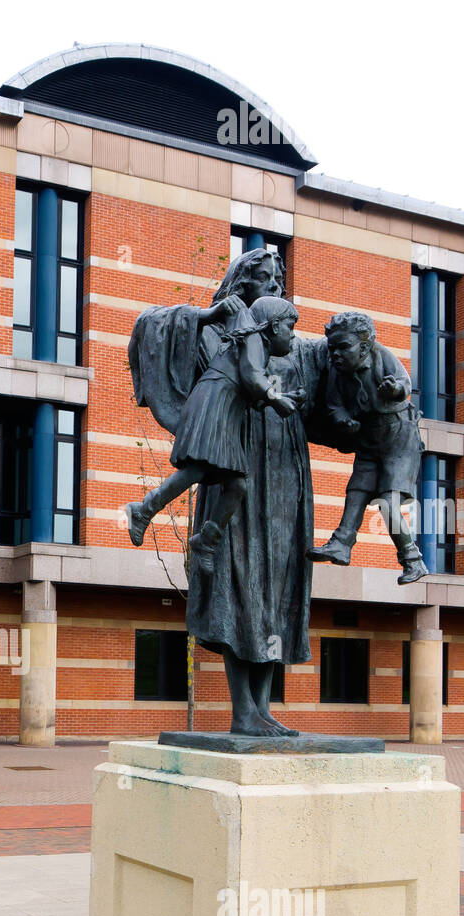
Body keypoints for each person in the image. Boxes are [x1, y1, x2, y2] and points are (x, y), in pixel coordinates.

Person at [128, 247, 326, 736]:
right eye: (264, 277)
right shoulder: (217, 328)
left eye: (278, 279)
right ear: (241, 281)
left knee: (278, 587)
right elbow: (151, 326)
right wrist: (209, 312)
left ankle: (261, 710)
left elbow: (323, 386)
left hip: (285, 472)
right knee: (240, 584)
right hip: (232, 459)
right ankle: (242, 712)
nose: (275, 286)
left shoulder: (291, 340)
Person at [128, 297, 304, 576]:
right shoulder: (254, 339)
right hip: (215, 402)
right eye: (289, 326)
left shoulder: (259, 349)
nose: (292, 334)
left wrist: (282, 397)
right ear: (271, 326)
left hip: (226, 407)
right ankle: (144, 510)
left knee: (237, 485)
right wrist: (276, 398)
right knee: (198, 467)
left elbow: (254, 391)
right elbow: (250, 378)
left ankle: (206, 540)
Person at [307, 311, 426, 584]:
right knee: (356, 491)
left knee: (388, 500)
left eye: (343, 347)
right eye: (333, 348)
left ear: (365, 345)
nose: (336, 354)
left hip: (398, 435)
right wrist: (342, 420)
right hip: (367, 438)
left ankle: (412, 560)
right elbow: (334, 404)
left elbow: (404, 384)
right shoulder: (338, 372)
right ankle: (342, 544)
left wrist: (393, 389)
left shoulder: (381, 356)